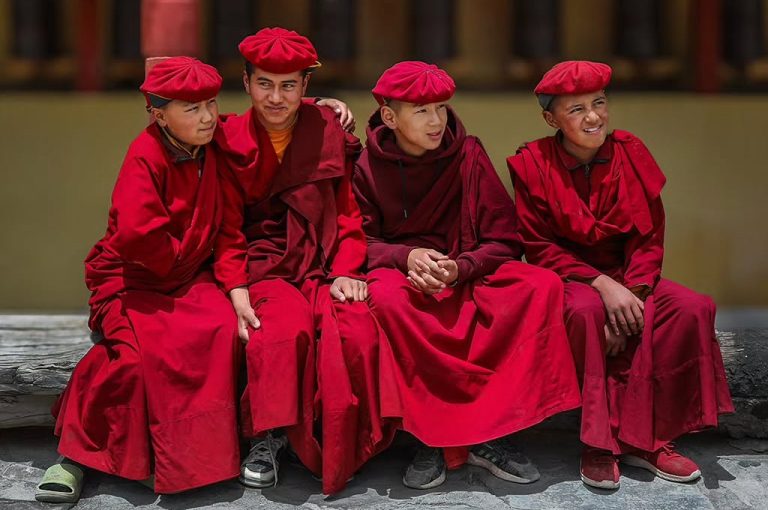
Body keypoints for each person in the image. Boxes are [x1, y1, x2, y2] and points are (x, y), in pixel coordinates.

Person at [353, 61, 582, 490]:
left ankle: (493, 434)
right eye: (421, 111)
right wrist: (407, 257)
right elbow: (357, 242)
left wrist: (461, 268)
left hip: (464, 268)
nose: (437, 121)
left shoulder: (468, 153)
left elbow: (504, 237)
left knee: (540, 285)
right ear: (389, 116)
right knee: (386, 300)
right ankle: (431, 437)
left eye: (441, 108)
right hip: (403, 274)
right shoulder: (366, 166)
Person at [507, 60, 734, 490]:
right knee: (590, 313)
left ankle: (649, 441)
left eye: (599, 103)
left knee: (690, 307)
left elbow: (649, 237)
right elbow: (537, 247)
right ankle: (600, 444)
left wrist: (633, 291)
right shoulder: (532, 163)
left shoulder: (631, 153)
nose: (593, 117)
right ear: (550, 118)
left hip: (631, 277)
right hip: (571, 280)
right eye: (576, 110)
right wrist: (603, 287)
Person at [36, 57, 249, 503]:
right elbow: (137, 236)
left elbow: (268, 118)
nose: (208, 116)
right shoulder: (145, 154)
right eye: (192, 109)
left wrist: (321, 104)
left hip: (190, 277)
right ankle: (75, 456)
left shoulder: (214, 143)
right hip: (135, 279)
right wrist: (178, 259)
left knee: (220, 330)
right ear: (159, 114)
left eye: (211, 103)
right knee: (132, 360)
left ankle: (191, 459)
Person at [214, 27, 396, 495]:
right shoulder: (228, 137)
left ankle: (348, 440)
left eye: (289, 85)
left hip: (321, 262)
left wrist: (346, 271)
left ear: (305, 88)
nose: (276, 98)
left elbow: (347, 212)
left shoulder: (324, 128)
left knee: (356, 329)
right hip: (264, 266)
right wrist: (236, 289)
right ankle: (267, 435)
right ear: (247, 83)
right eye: (265, 84)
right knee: (281, 330)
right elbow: (227, 229)